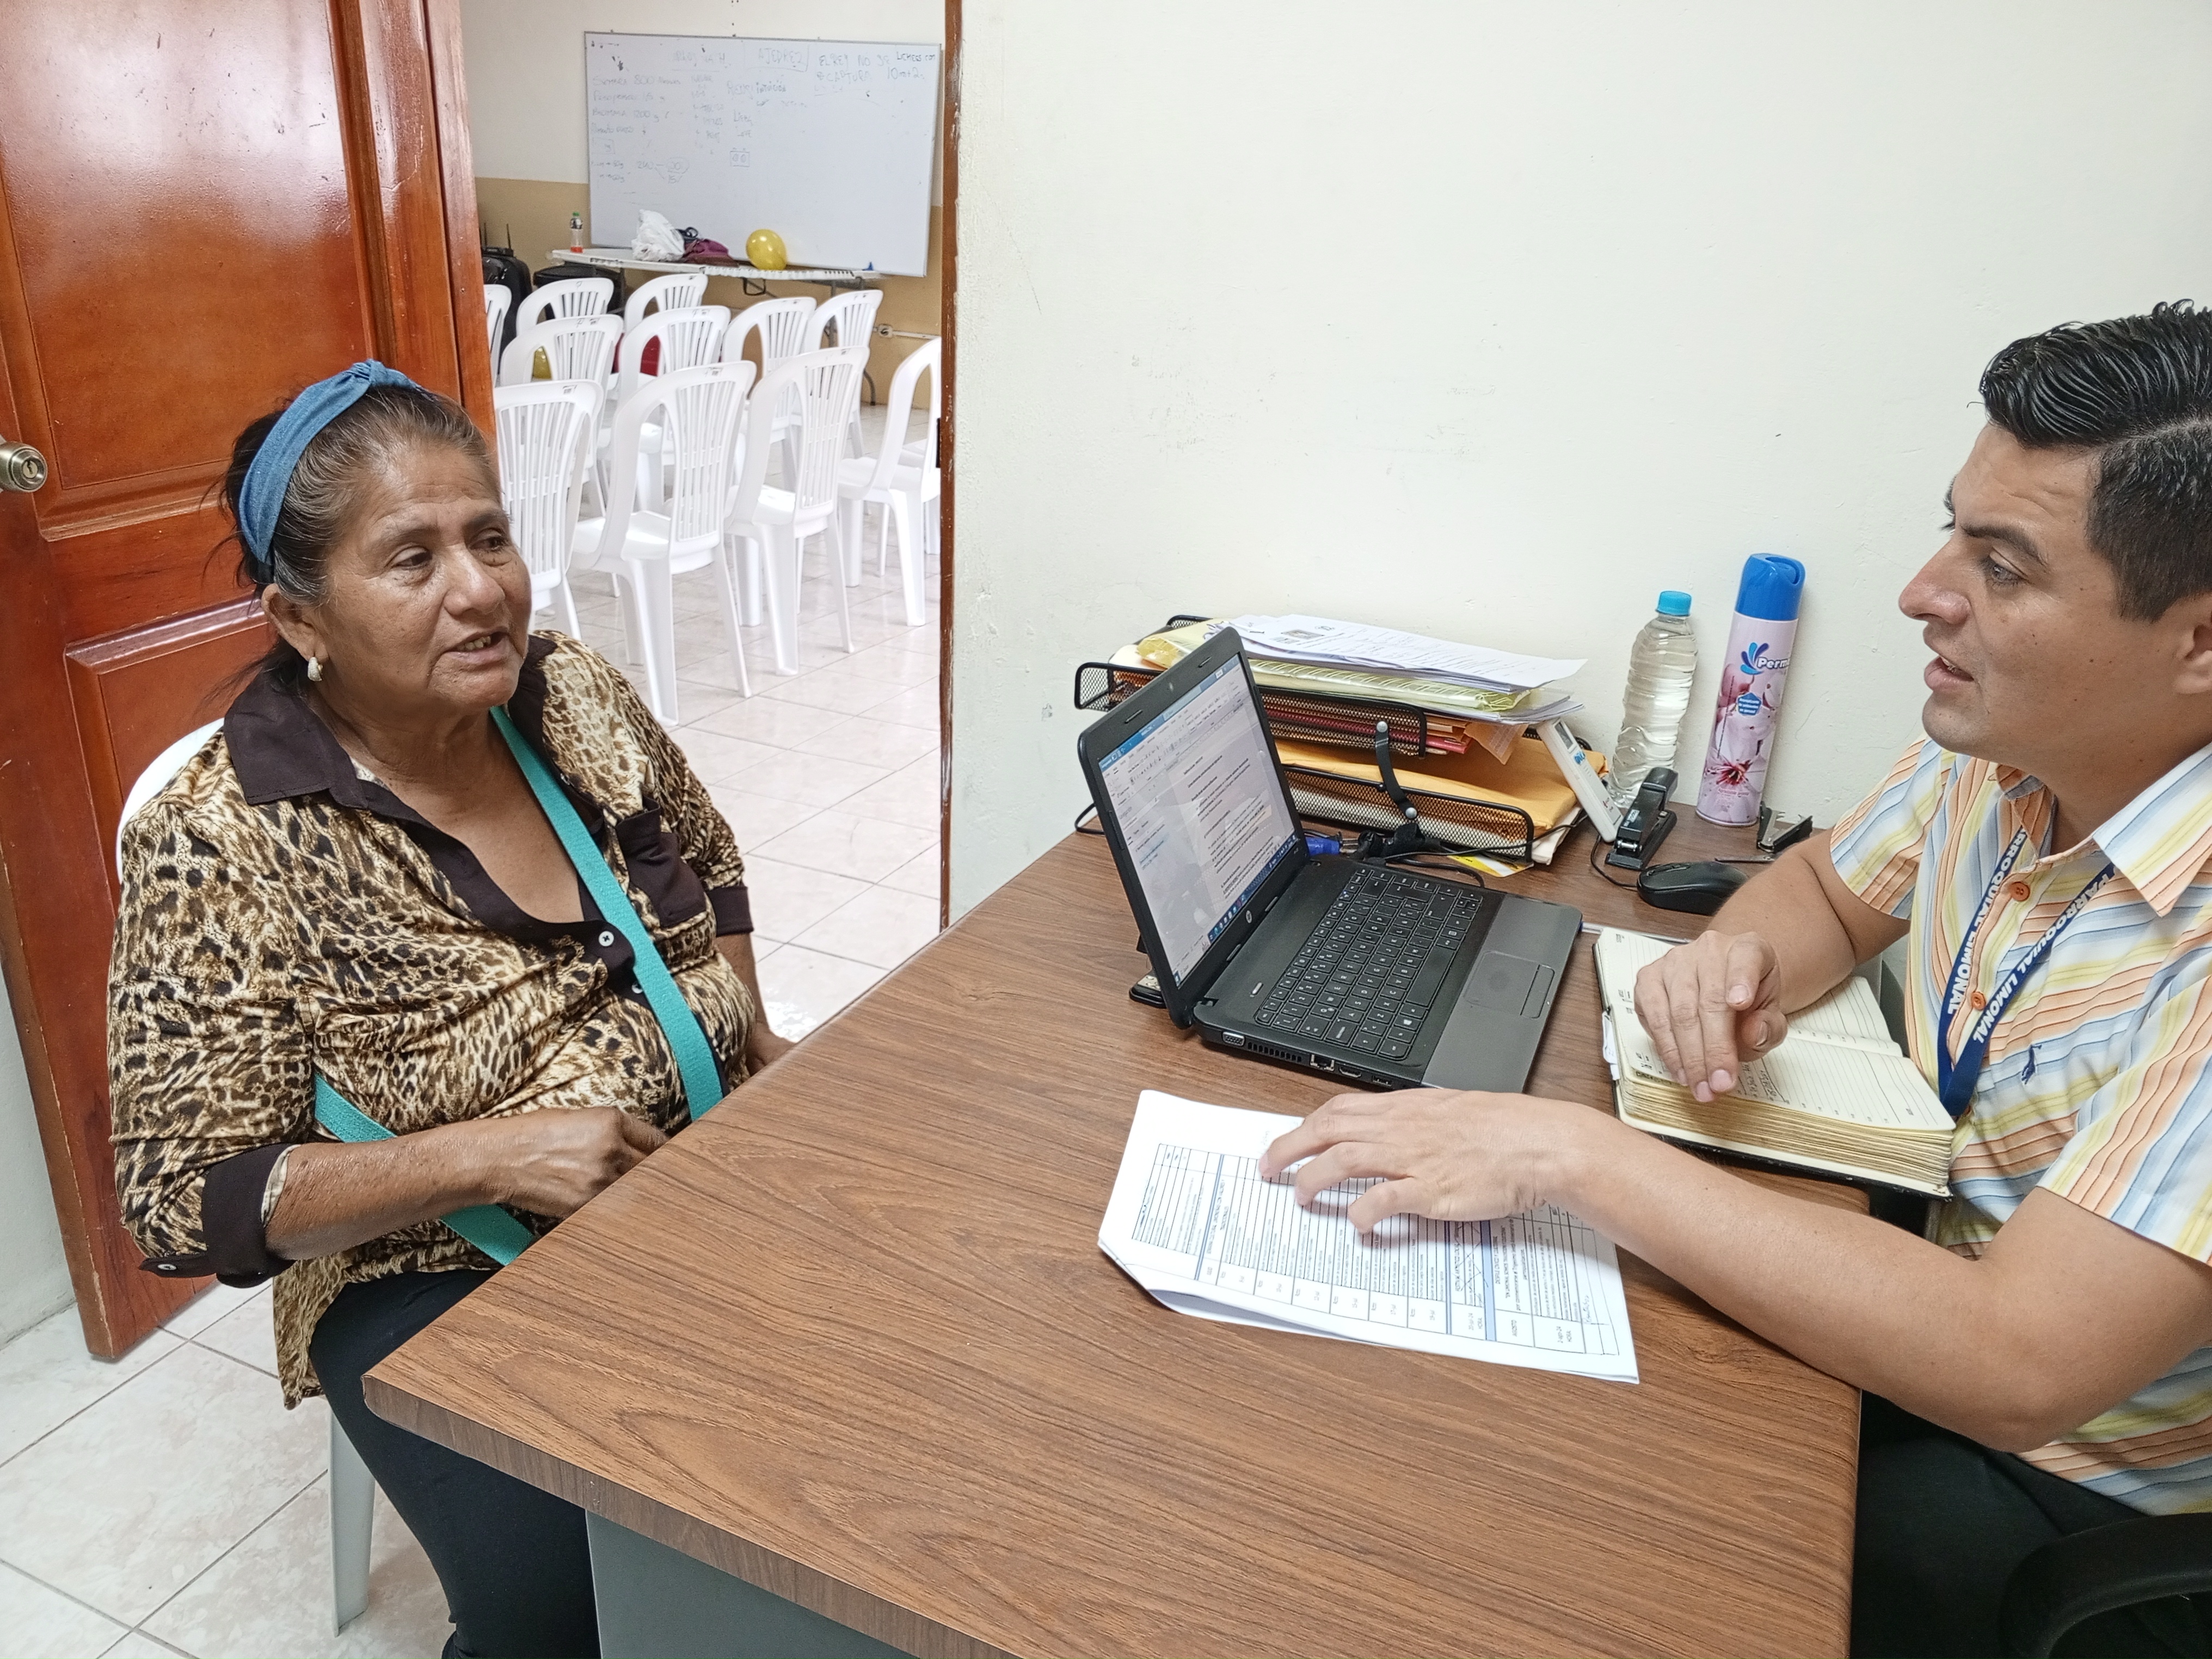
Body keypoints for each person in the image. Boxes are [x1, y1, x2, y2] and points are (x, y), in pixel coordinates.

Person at [1259, 303, 2212, 1659]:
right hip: (1927, 1289)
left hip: (2068, 1495)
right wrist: (1730, 959)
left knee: (1577, 1546)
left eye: (2000, 566)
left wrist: (1573, 1157)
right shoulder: (2008, 749)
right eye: (1952, 530)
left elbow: (2018, 1364)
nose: (1923, 592)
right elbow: (1822, 888)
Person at [109, 362, 791, 1659]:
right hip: (430, 1263)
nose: (482, 591)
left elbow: (706, 857)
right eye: (411, 560)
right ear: (299, 619)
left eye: (490, 537)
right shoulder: (223, 837)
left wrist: (749, 1041)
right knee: (561, 1604)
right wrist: (497, 1157)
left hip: (688, 1171)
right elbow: (184, 1199)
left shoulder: (566, 691)